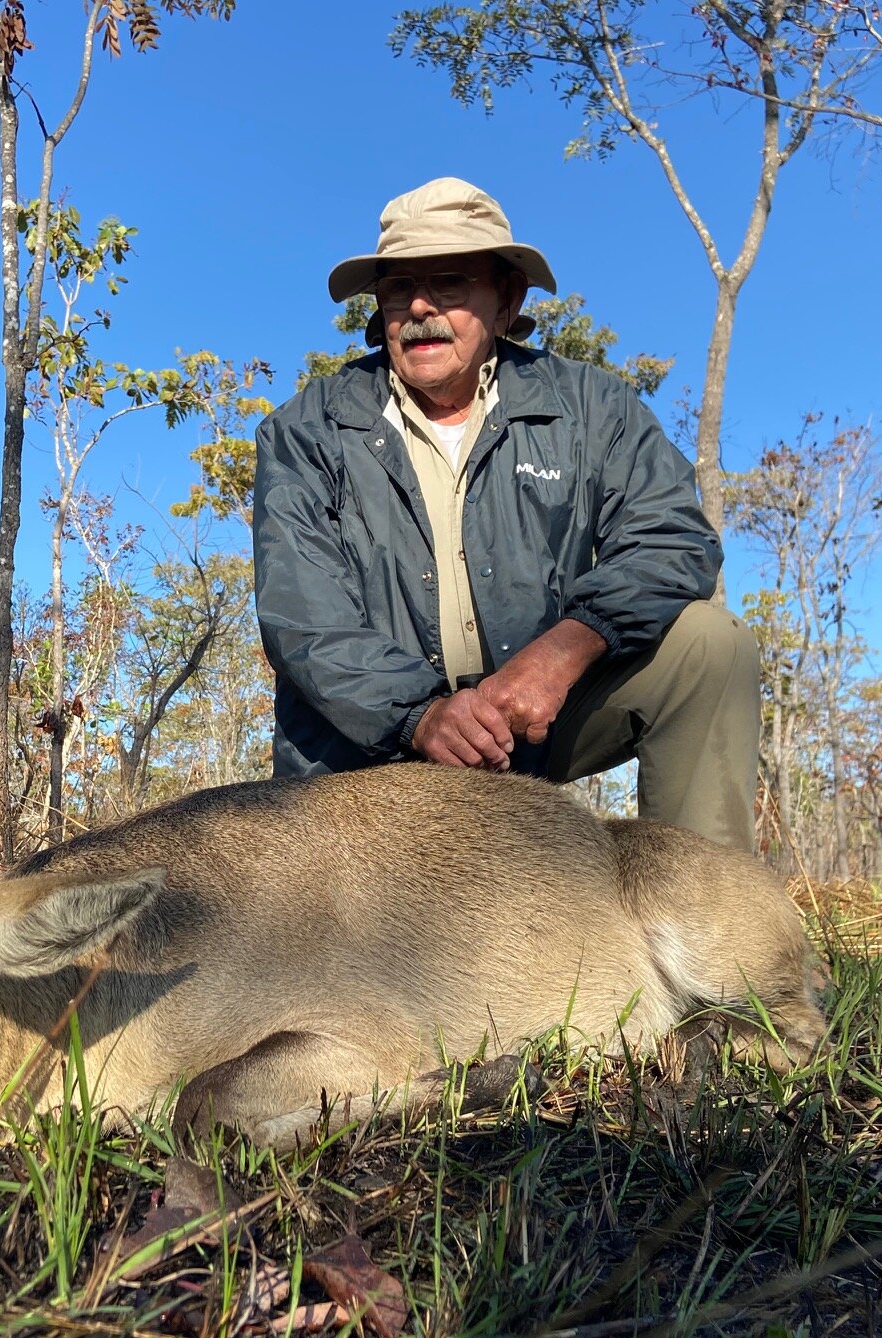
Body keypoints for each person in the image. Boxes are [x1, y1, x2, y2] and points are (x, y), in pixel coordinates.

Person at [252, 177, 760, 852]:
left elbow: (672, 539)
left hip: (532, 724)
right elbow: (302, 616)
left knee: (711, 647)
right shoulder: (304, 429)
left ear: (507, 299)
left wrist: (563, 651)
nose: (421, 306)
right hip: (366, 753)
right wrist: (420, 714)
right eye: (399, 288)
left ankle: (713, 928)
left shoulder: (594, 407)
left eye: (452, 282)